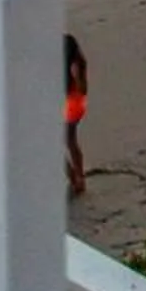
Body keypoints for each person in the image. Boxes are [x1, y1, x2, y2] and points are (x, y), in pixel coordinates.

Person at [63, 30, 89, 197]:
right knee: (71, 141)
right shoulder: (70, 43)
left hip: (67, 102)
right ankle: (79, 176)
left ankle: (74, 177)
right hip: (76, 102)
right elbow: (83, 89)